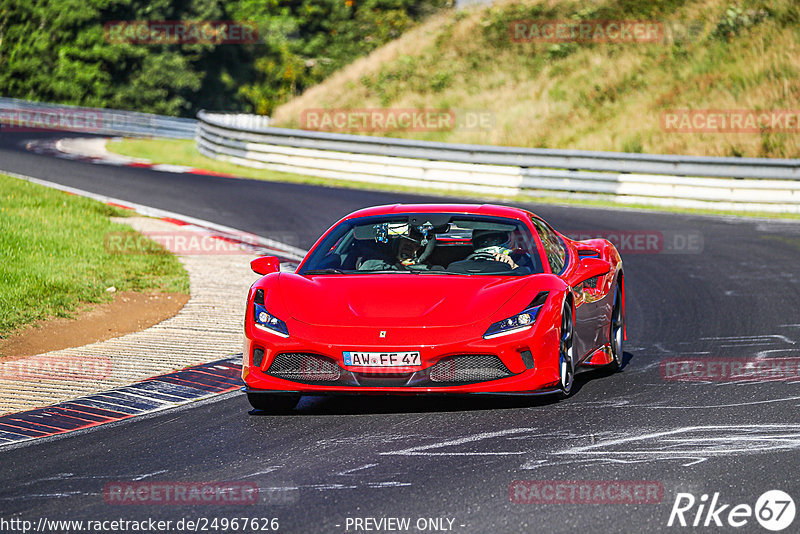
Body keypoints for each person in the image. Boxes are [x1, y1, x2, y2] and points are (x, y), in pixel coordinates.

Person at [447, 229, 524, 273]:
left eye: (495, 240)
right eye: (484, 242)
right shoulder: (464, 264)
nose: (490, 245)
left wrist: (514, 267)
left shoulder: (523, 259)